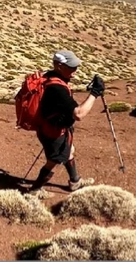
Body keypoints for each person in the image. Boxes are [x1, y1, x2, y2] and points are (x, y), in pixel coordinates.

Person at [25, 50, 104, 194]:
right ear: (60, 66)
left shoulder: (50, 76)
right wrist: (95, 93)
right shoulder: (57, 88)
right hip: (54, 132)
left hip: (48, 127)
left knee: (69, 151)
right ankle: (34, 190)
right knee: (54, 161)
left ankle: (75, 181)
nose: (75, 71)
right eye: (72, 67)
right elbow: (79, 114)